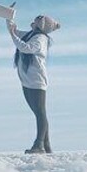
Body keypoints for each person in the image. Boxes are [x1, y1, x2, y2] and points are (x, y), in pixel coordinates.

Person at [7, 14, 61, 154]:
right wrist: (9, 17)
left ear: (42, 25)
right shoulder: (31, 34)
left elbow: (25, 48)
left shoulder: (40, 38)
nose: (35, 19)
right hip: (27, 80)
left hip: (36, 80)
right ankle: (46, 145)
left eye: (39, 19)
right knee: (38, 112)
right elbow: (15, 31)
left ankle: (39, 145)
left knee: (40, 112)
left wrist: (13, 35)